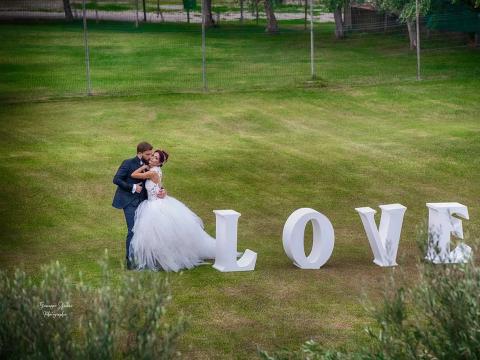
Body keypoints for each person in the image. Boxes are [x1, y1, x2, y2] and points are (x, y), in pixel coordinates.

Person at [128, 149, 217, 272]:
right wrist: (162, 189)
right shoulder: (156, 171)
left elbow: (134, 175)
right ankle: (159, 258)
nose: (152, 158)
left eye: (155, 158)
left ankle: (164, 259)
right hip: (156, 202)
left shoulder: (153, 172)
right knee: (159, 235)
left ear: (160, 163)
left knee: (158, 235)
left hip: (155, 206)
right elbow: (158, 185)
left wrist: (144, 166)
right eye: (152, 156)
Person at [112, 142, 166, 270]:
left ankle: (146, 258)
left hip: (144, 204)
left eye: (151, 154)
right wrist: (132, 187)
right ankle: (130, 261)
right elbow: (116, 179)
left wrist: (163, 190)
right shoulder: (128, 163)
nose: (150, 157)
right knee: (133, 230)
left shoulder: (150, 166)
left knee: (145, 232)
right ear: (139, 153)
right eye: (148, 154)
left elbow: (155, 182)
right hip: (129, 202)